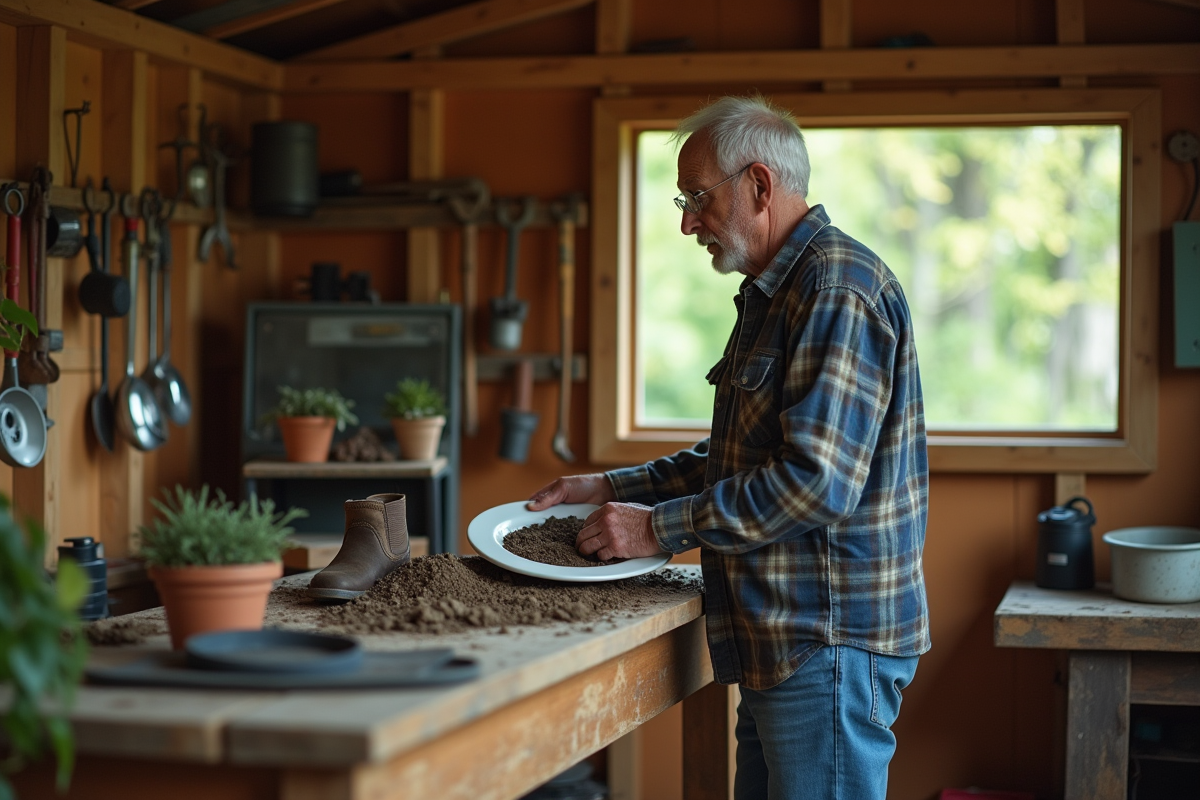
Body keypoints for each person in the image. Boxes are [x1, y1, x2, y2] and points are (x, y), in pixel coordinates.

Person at [528, 95, 930, 800]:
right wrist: (613, 488)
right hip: (787, 642)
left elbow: (814, 482)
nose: (687, 222)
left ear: (760, 185)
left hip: (824, 644)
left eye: (697, 198)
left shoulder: (834, 288)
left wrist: (655, 528)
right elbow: (741, 458)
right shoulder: (775, 292)